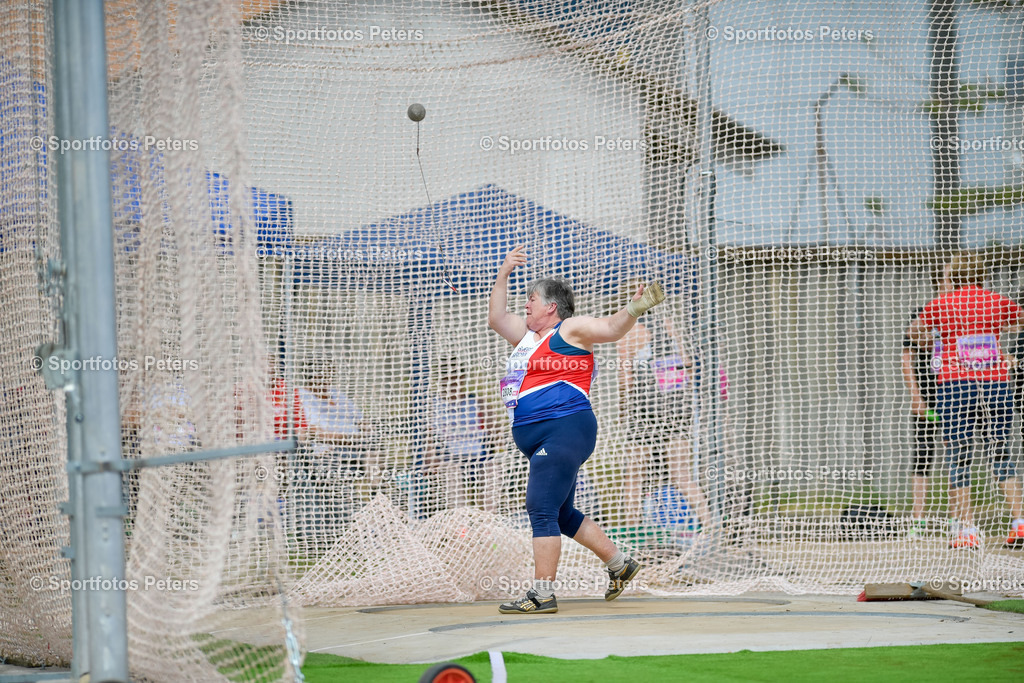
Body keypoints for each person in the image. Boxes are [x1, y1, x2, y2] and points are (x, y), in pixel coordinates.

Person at [487, 245, 665, 614]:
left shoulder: (569, 328)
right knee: (562, 512)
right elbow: (495, 317)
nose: (526, 305)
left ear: (551, 306)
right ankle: (620, 565)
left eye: (531, 299)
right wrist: (503, 272)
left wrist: (634, 308)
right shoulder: (525, 337)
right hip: (541, 435)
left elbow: (612, 328)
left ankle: (542, 594)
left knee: (539, 506)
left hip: (565, 428)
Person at [908, 253, 1023, 548]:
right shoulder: (996, 300)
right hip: (995, 385)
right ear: (982, 276)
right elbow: (1020, 320)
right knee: (1000, 453)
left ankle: (967, 530)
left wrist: (935, 339)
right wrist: (997, 333)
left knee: (958, 456)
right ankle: (1020, 522)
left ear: (953, 278)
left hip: (956, 387)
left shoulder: (940, 304)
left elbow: (914, 332)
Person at [617, 309, 710, 529]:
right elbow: (687, 364)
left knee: (635, 476)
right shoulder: (666, 324)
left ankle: (633, 533)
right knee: (682, 475)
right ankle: (711, 527)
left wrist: (623, 410)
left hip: (645, 409)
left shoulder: (627, 332)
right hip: (676, 406)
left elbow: (625, 380)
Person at [900, 264, 953, 536]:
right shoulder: (922, 315)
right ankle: (917, 520)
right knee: (922, 454)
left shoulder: (965, 314)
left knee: (957, 454)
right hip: (928, 395)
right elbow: (907, 357)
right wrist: (916, 397)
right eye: (947, 277)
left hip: (956, 391)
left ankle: (958, 521)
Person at [424, 358, 501, 513]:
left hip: (479, 454)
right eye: (448, 378)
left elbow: (495, 430)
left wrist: (497, 443)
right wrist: (430, 456)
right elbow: (427, 435)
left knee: (492, 470)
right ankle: (458, 520)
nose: (453, 383)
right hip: (449, 455)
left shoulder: (477, 402)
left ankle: (490, 518)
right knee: (451, 476)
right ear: (441, 380)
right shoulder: (433, 405)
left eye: (456, 378)